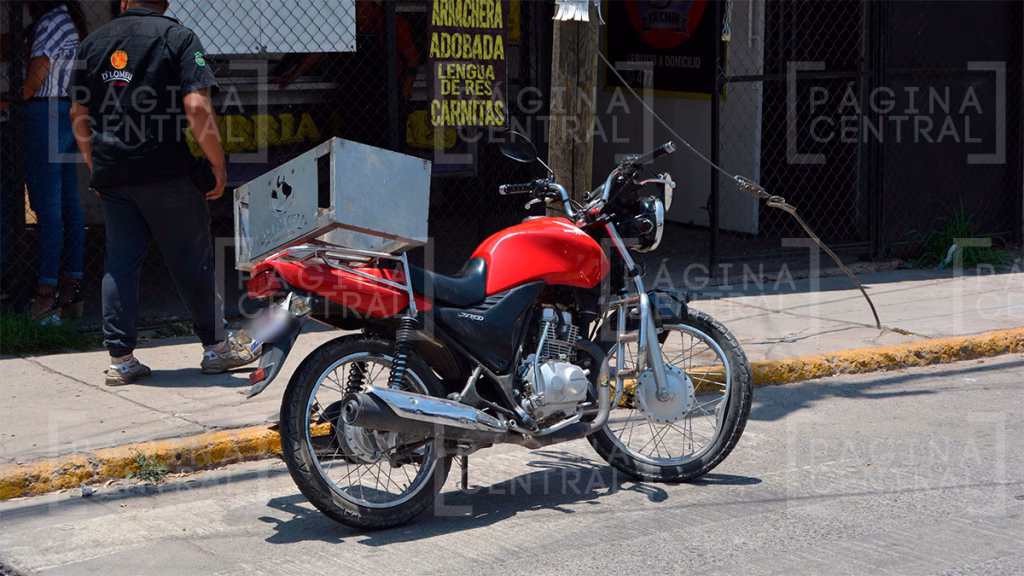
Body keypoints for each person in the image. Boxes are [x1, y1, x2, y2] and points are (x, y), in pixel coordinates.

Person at [69, 0, 258, 385]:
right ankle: (217, 349)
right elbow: (197, 106)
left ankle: (121, 360)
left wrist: (95, 163)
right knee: (191, 257)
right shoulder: (178, 37)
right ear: (166, 2)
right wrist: (218, 165)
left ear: (123, 1)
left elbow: (77, 112)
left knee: (120, 261)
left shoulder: (92, 43)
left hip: (114, 172)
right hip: (166, 170)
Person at [23, 1, 88, 321]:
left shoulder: (50, 23)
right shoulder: (68, 21)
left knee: (47, 207)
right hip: (65, 113)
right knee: (68, 204)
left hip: (44, 112)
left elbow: (35, 78)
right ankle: (70, 287)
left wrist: (14, 97)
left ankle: (45, 293)